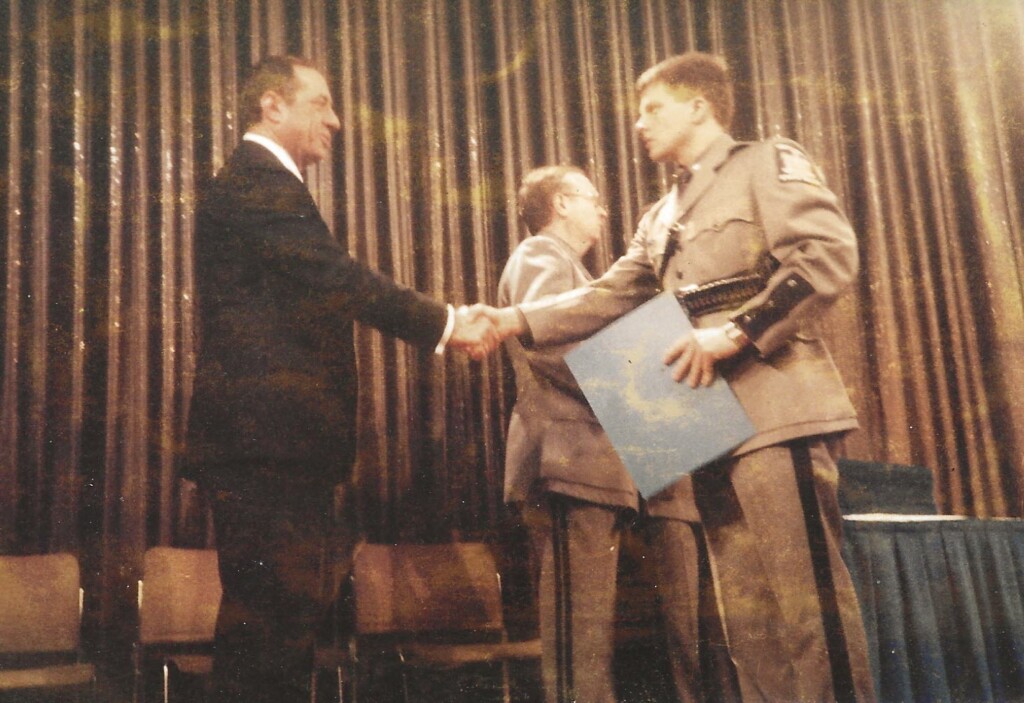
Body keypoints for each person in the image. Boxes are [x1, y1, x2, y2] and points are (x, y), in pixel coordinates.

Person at [489, 52, 876, 702]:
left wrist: (739, 330)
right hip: (705, 431)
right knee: (746, 620)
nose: (639, 123)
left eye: (652, 108)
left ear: (699, 107)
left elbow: (828, 253)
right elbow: (605, 297)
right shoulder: (659, 216)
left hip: (775, 411)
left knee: (806, 606)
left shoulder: (765, 163)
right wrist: (509, 321)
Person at [182, 55, 499, 702]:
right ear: (273, 105)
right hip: (269, 450)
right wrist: (447, 323)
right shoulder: (257, 180)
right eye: (321, 103)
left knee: (273, 633)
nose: (336, 119)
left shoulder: (262, 183)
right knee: (270, 635)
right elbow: (338, 278)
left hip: (271, 450)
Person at [498, 166, 639, 703]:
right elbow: (553, 345)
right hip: (566, 461)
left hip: (583, 465)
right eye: (594, 199)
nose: (603, 211)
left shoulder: (571, 269)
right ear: (560, 203)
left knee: (586, 636)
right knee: (579, 638)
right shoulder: (541, 256)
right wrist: (645, 397)